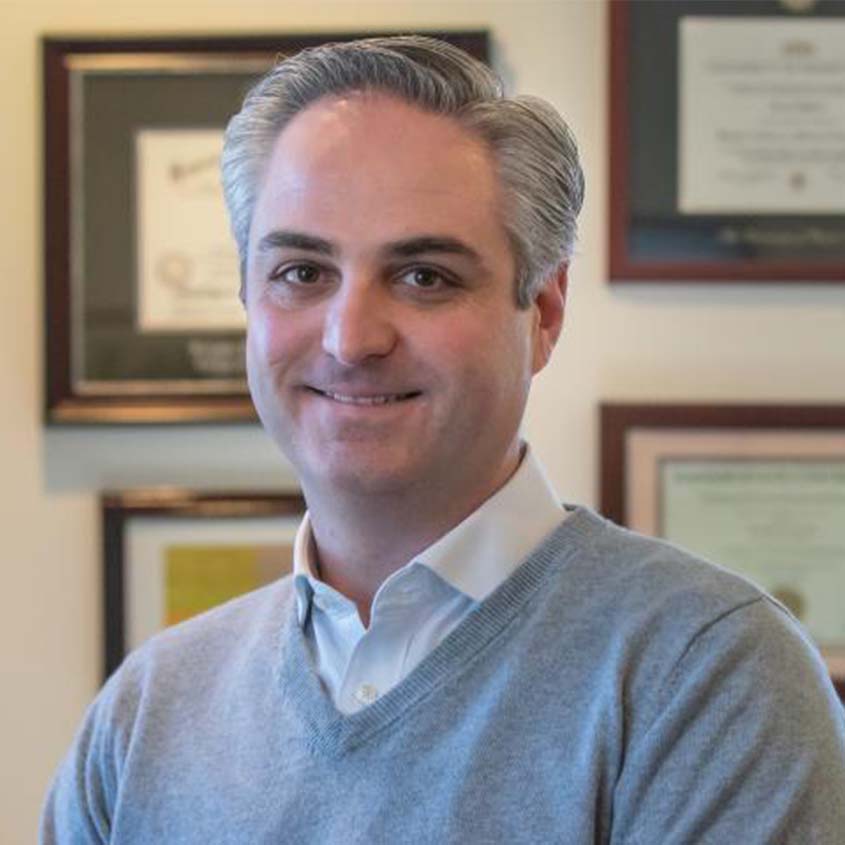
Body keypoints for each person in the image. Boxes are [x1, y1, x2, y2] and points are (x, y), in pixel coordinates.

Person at [41, 36, 845, 844]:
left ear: (544, 313)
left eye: (423, 276)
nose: (351, 338)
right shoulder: (148, 711)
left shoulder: (707, 676)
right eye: (302, 273)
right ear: (248, 299)